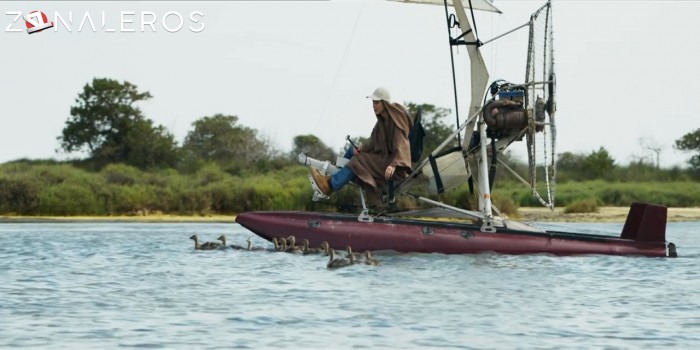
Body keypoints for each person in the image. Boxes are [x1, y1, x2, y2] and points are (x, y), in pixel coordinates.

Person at [310, 87, 413, 196]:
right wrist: (362, 147)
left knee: (357, 160)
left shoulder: (395, 121)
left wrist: (393, 165)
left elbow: (402, 145)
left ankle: (330, 185)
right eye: (373, 102)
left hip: (393, 166)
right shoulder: (381, 123)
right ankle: (332, 176)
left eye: (377, 102)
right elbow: (373, 143)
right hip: (384, 159)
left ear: (385, 103)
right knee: (352, 151)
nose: (374, 105)